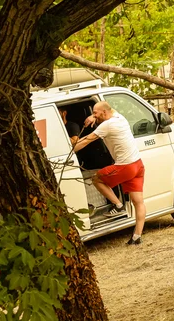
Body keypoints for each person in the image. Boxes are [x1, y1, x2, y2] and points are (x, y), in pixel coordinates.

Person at [73, 101, 146, 245]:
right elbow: (105, 112)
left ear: (104, 113)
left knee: (96, 179)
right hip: (138, 164)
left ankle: (118, 205)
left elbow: (87, 140)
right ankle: (137, 236)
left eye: (95, 113)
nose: (93, 115)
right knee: (138, 202)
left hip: (125, 166)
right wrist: (94, 117)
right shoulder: (119, 117)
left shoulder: (107, 126)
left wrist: (69, 150)